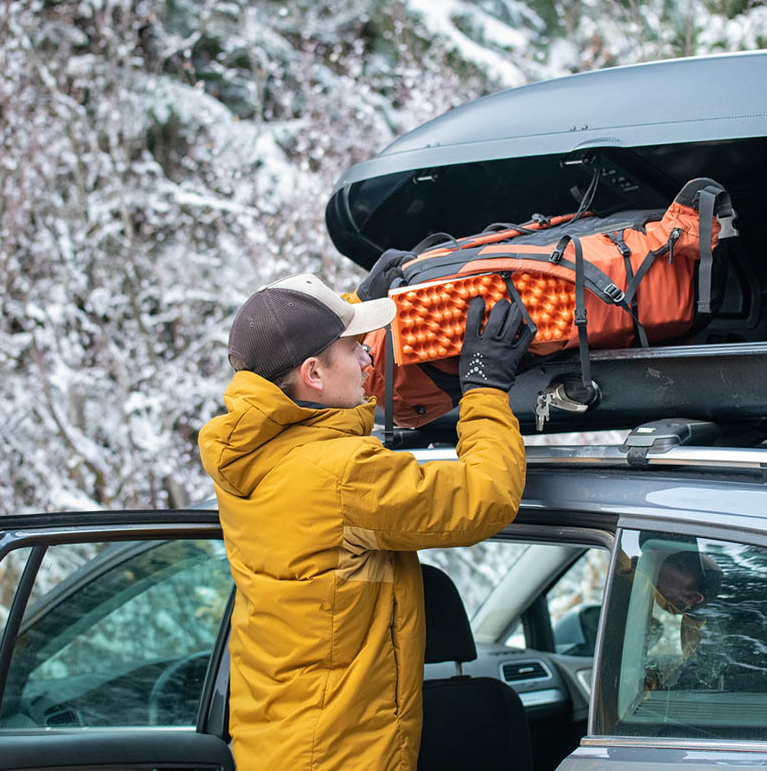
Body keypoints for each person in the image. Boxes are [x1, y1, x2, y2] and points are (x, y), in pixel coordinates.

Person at [198, 256, 533, 771]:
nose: (367, 362)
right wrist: (484, 390)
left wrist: (346, 307)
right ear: (312, 374)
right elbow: (484, 494)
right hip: (340, 756)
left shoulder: (248, 456)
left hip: (278, 745)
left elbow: (310, 386)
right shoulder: (343, 475)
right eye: (355, 350)